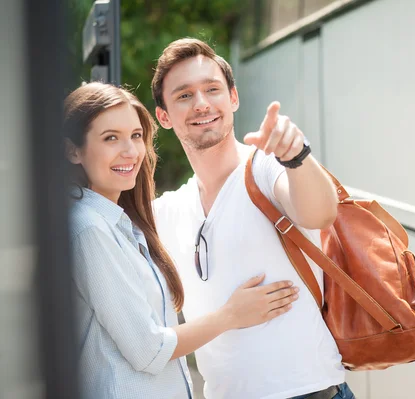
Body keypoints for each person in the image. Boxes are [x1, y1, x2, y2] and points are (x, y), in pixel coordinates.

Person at [63, 82, 300, 399]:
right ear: (72, 151)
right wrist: (231, 315)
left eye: (136, 136)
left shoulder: (121, 224)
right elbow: (148, 349)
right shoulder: (90, 228)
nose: (131, 151)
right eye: (110, 138)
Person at [151, 39, 356, 399]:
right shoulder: (171, 209)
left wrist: (297, 157)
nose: (201, 103)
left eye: (212, 89)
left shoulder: (265, 168)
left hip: (309, 392)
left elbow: (321, 213)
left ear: (233, 98)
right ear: (163, 116)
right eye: (184, 95)